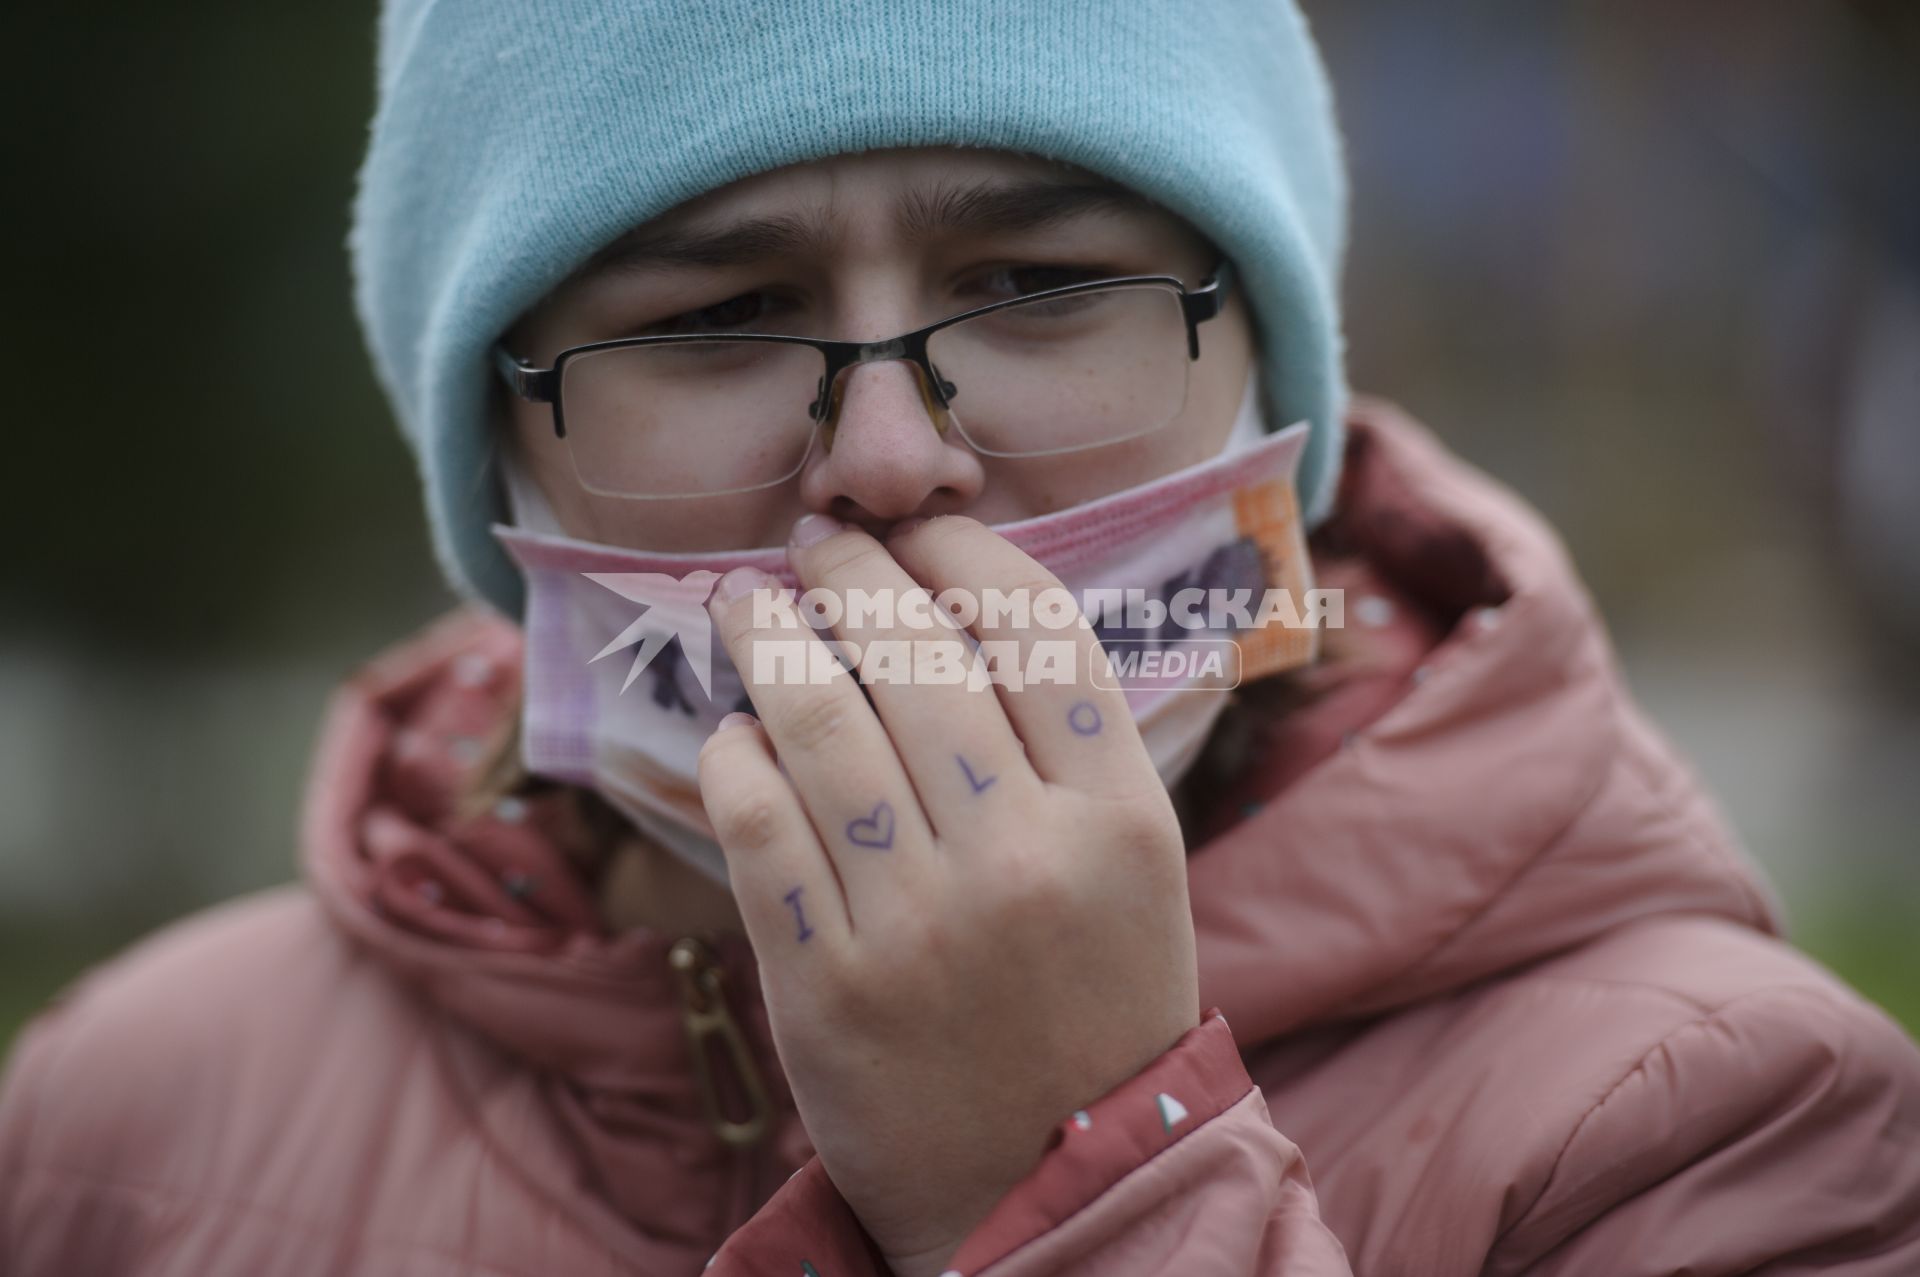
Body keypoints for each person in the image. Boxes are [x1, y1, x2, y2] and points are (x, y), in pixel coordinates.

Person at [3, 2, 1918, 1274]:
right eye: (712, 315)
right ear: (496, 433)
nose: (896, 459)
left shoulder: (1716, 1123)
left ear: (1268, 360)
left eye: (1041, 282)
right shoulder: (122, 1123)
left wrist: (1084, 1177)